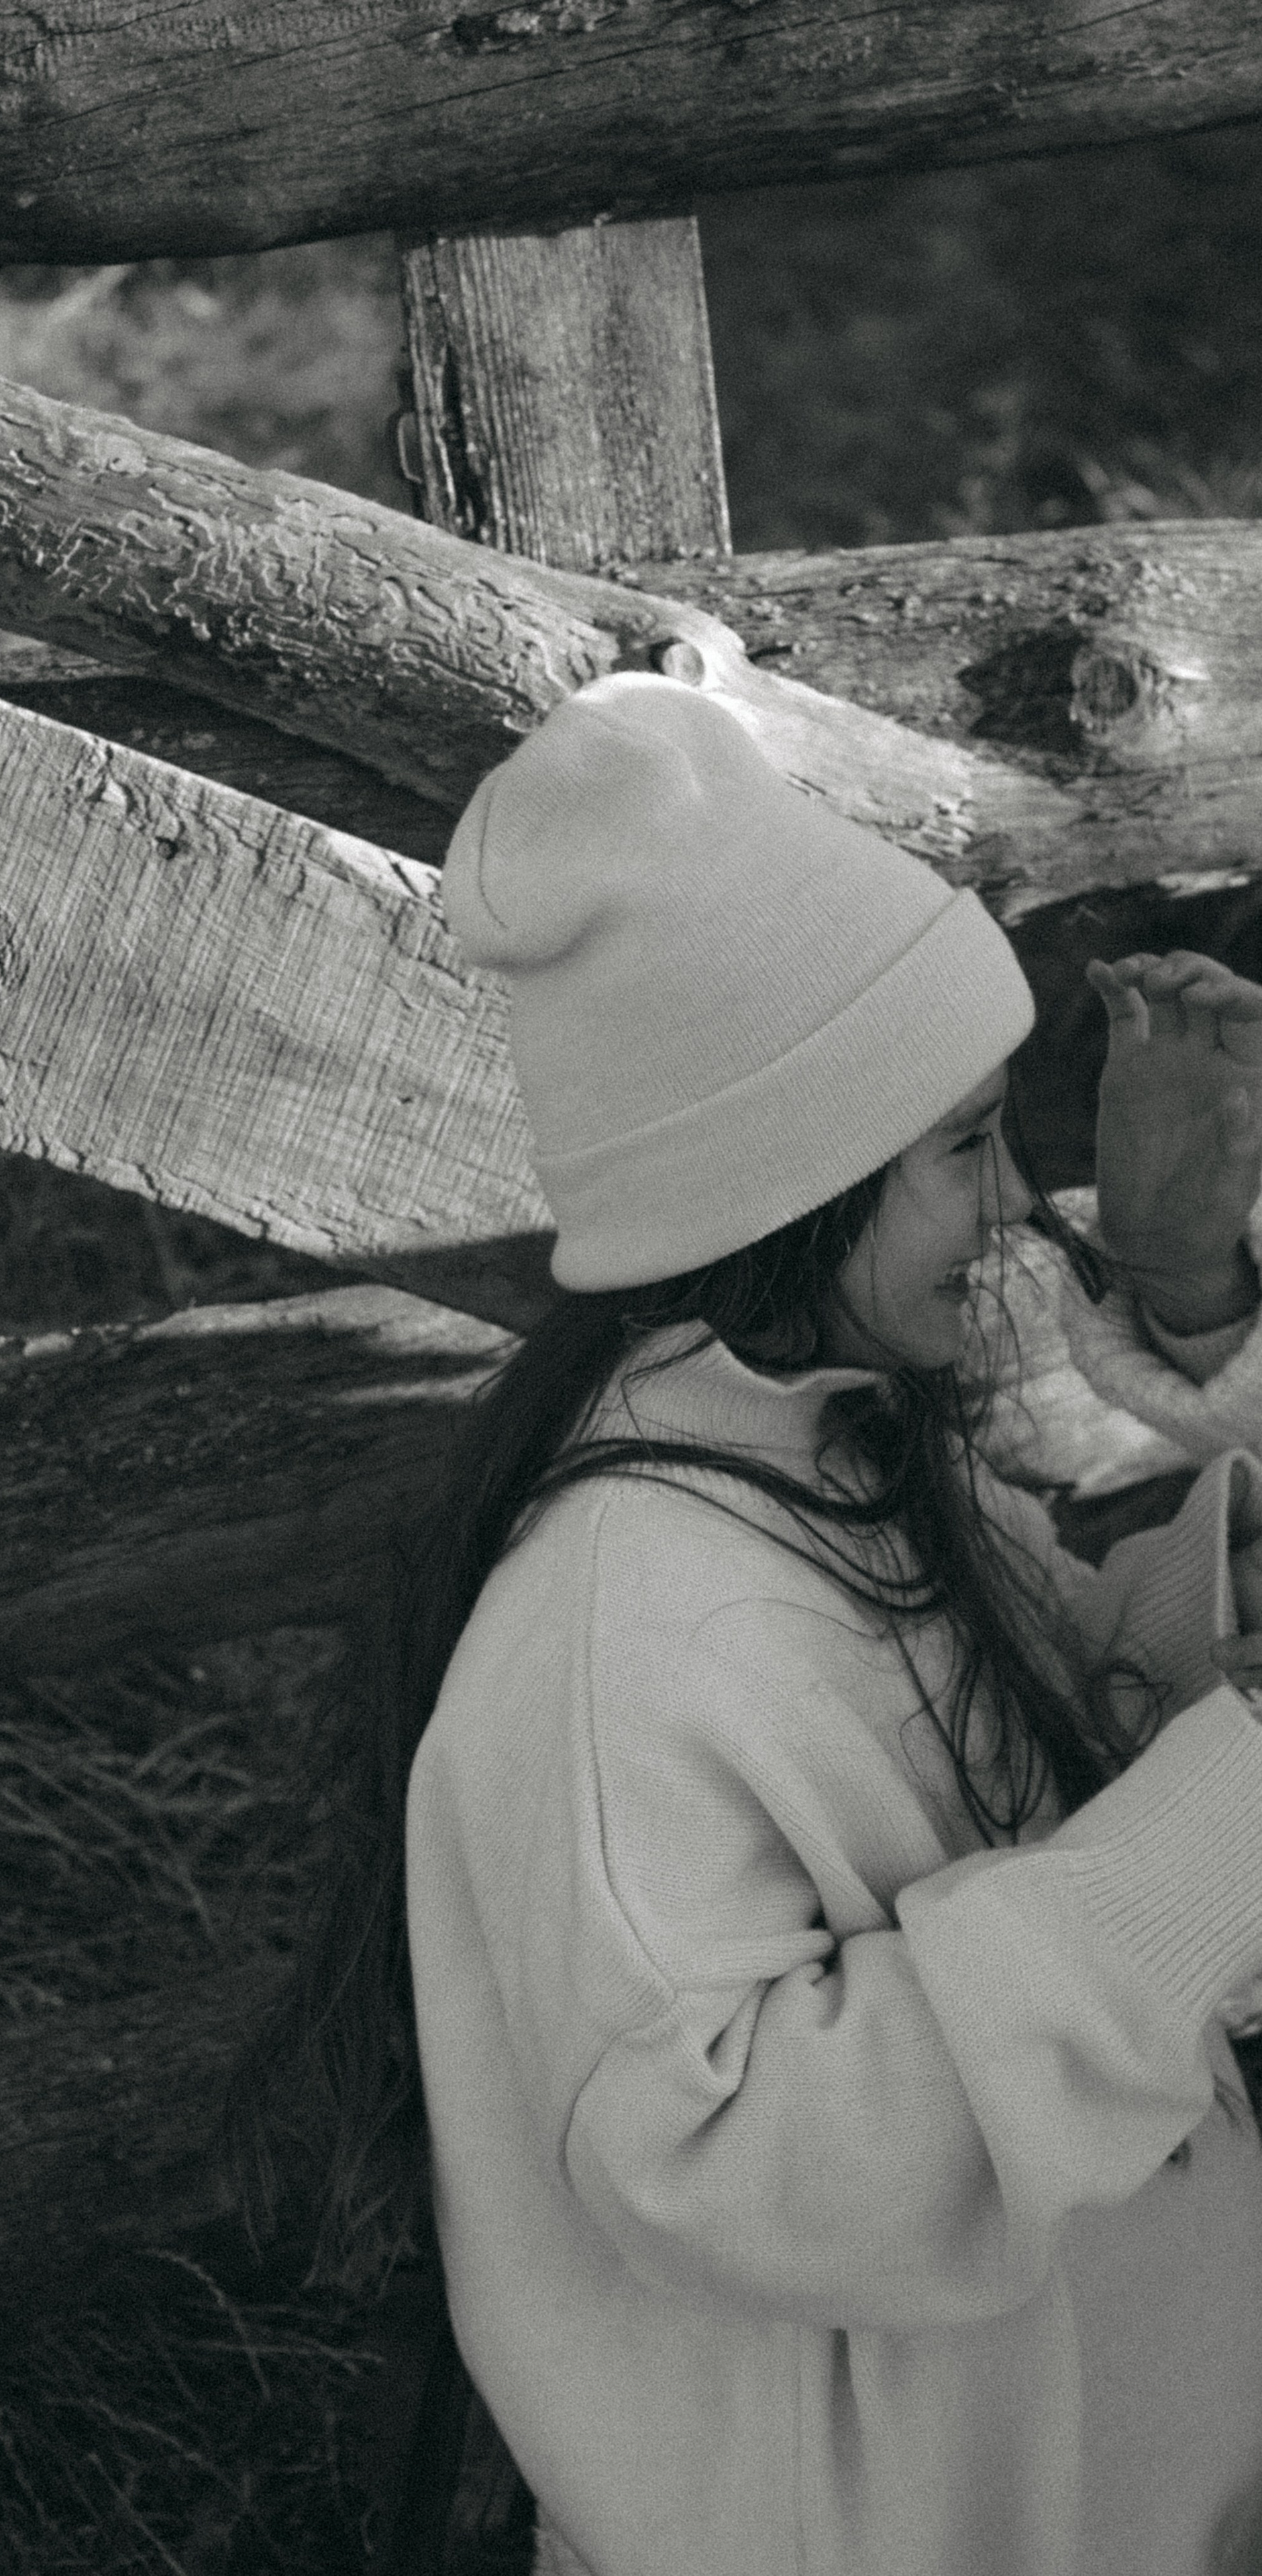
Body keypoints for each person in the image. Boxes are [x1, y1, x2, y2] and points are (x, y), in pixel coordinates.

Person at [226, 673, 1262, 2576]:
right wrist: (1236, 1815)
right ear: (786, 1180)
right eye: (964, 1147)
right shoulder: (624, 1635)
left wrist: (1193, 1298)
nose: (1024, 1205)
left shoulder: (835, 1438)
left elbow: (1067, 1710)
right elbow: (771, 2166)